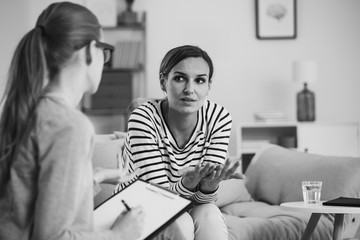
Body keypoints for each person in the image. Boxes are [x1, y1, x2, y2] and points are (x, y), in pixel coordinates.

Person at [0, 2, 147, 240]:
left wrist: (96, 176)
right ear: (90, 50)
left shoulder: (24, 109)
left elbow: (27, 198)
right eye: (105, 51)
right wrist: (119, 235)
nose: (104, 61)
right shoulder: (69, 125)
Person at [116, 45, 243, 240]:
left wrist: (209, 186)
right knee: (181, 221)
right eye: (179, 78)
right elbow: (158, 200)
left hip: (184, 204)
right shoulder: (143, 118)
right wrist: (188, 183)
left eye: (199, 80)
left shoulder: (218, 118)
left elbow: (205, 201)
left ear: (209, 85)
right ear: (163, 81)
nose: (189, 90)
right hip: (136, 208)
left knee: (209, 213)